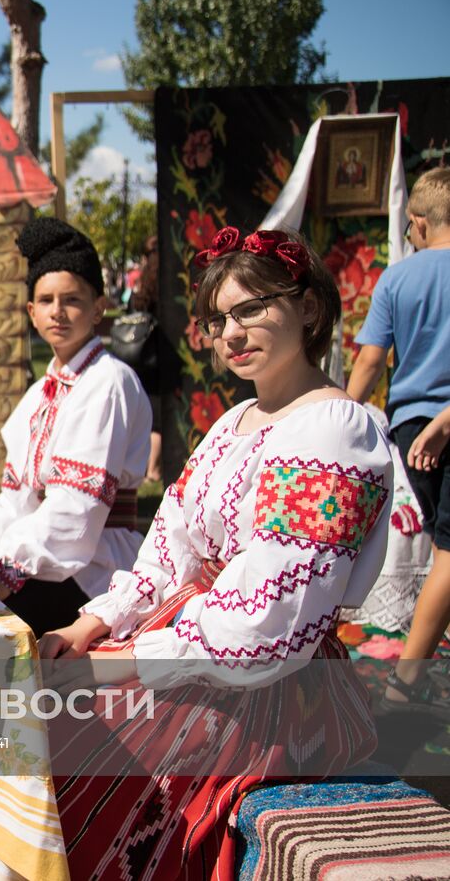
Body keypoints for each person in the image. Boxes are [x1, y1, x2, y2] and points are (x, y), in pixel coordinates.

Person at [40, 227, 394, 880]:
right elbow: (169, 548)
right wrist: (95, 623)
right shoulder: (234, 423)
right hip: (193, 651)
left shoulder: (335, 430)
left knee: (61, 740)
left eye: (252, 308)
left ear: (309, 309)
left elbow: (266, 629)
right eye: (221, 316)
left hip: (268, 693)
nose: (232, 331)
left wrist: (119, 667)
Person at [0, 218, 153, 634]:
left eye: (72, 299)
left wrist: (5, 574)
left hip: (94, 566)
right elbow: (15, 497)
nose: (58, 311)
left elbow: (77, 514)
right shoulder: (41, 392)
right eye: (46, 300)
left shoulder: (107, 382)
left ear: (98, 308)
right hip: (47, 558)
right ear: (31, 313)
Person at [346, 166, 450, 716]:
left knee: (443, 545)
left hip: (411, 426)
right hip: (444, 424)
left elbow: (369, 361)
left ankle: (416, 676)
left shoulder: (397, 278)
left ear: (418, 223)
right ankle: (407, 683)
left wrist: (337, 416)